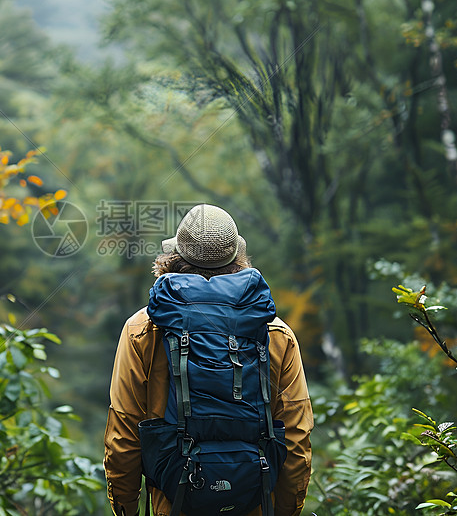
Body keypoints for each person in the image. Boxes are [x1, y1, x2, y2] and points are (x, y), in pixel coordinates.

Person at [103, 204, 313, 516]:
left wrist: (126, 510)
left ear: (175, 258)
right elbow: (296, 438)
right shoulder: (274, 333)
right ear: (238, 259)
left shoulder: (143, 330)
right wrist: (285, 510)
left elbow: (124, 436)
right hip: (254, 503)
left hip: (174, 503)